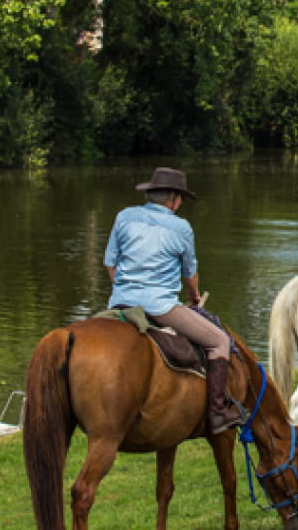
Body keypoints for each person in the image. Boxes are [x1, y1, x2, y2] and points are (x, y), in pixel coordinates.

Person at [104, 167, 243, 434]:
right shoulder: (181, 227)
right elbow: (189, 273)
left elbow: (110, 263)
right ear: (175, 200)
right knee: (220, 341)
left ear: (150, 194)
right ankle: (217, 412)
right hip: (160, 307)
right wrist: (194, 296)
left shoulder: (124, 216)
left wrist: (125, 289)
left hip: (120, 301)